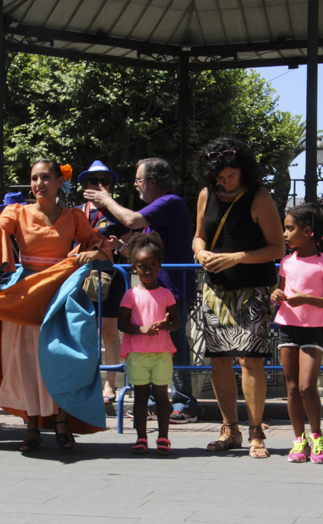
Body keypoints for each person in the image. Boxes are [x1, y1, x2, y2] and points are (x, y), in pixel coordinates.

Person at [0, 159, 111, 452]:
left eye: (45, 177)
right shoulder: (17, 212)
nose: (38, 184)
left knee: (63, 356)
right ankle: (31, 425)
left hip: (60, 293)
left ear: (60, 181)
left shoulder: (73, 216)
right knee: (25, 361)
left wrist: (100, 251)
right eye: (34, 178)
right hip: (25, 293)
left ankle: (62, 421)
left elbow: (99, 246)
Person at [84, 158, 198, 424]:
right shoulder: (156, 211)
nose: (135, 186)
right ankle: (147, 401)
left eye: (138, 180)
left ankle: (184, 403)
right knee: (145, 344)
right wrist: (121, 248)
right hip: (150, 290)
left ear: (152, 182)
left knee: (175, 345)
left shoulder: (170, 202)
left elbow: (131, 220)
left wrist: (106, 200)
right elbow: (141, 250)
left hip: (173, 289)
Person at [192, 138, 285, 458]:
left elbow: (277, 249)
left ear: (243, 169)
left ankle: (256, 432)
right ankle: (229, 429)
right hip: (215, 289)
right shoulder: (206, 195)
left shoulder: (260, 197)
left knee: (250, 359)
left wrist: (237, 257)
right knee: (218, 360)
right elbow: (199, 236)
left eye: (230, 175)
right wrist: (201, 251)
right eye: (219, 176)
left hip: (252, 290)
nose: (225, 181)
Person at [272, 203, 323, 464]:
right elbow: (281, 295)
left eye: (289, 228)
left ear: (308, 231)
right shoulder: (287, 262)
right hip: (288, 327)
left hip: (313, 330)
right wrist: (276, 295)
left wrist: (307, 299)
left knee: (307, 386)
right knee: (291, 388)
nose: (285, 234)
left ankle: (316, 435)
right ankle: (298, 440)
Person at [118, 232, 178, 456]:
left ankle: (163, 438)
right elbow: (122, 324)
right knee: (141, 398)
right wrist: (141, 329)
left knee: (162, 397)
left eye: (152, 265)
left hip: (162, 354)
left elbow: (175, 323)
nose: (148, 270)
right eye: (142, 266)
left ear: (159, 266)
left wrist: (164, 325)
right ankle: (141, 438)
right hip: (137, 355)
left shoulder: (166, 294)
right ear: (134, 267)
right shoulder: (130, 295)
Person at [75, 160, 131, 403]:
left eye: (104, 181)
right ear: (84, 185)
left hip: (111, 279)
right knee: (83, 333)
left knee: (109, 332)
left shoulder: (119, 213)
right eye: (93, 181)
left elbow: (133, 252)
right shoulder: (76, 213)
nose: (99, 185)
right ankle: (84, 384)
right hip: (80, 278)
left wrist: (120, 246)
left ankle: (110, 386)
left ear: (111, 186)